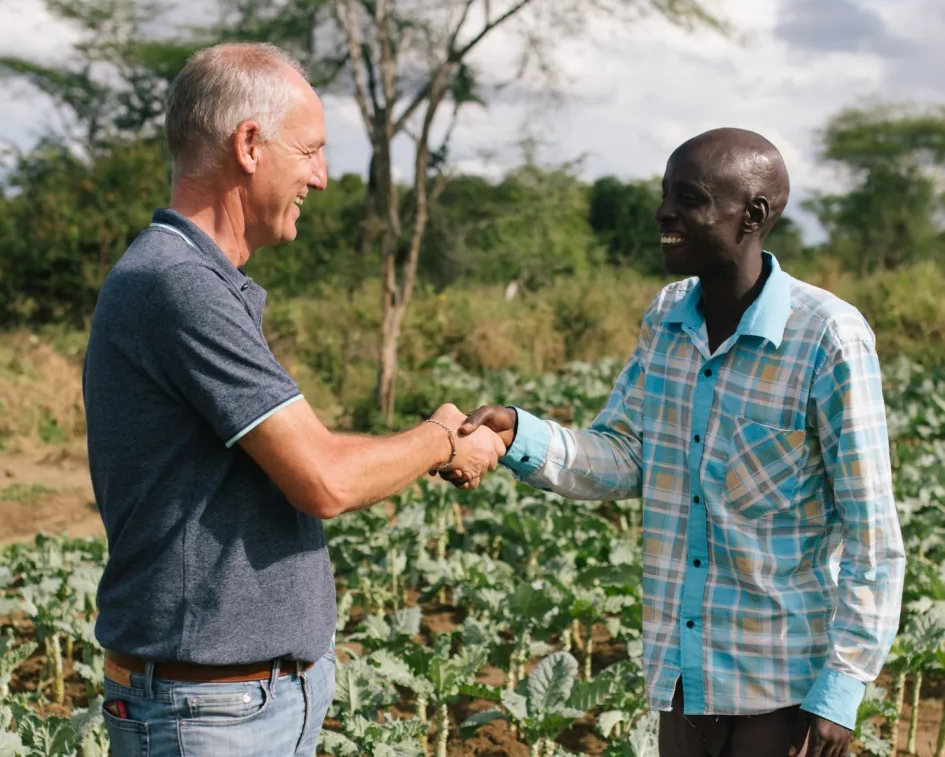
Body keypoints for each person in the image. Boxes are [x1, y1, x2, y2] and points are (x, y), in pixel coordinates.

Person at [82, 42, 506, 757]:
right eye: (309, 150)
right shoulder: (177, 284)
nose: (321, 175)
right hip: (209, 714)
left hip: (243, 703)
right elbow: (324, 479)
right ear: (249, 145)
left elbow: (297, 452)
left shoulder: (189, 277)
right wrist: (442, 437)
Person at [456, 128, 905, 757]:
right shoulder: (666, 317)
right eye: (665, 194)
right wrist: (518, 433)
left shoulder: (827, 336)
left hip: (784, 686)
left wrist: (843, 685)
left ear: (753, 214)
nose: (663, 213)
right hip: (682, 675)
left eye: (689, 199)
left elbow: (872, 535)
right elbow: (625, 456)